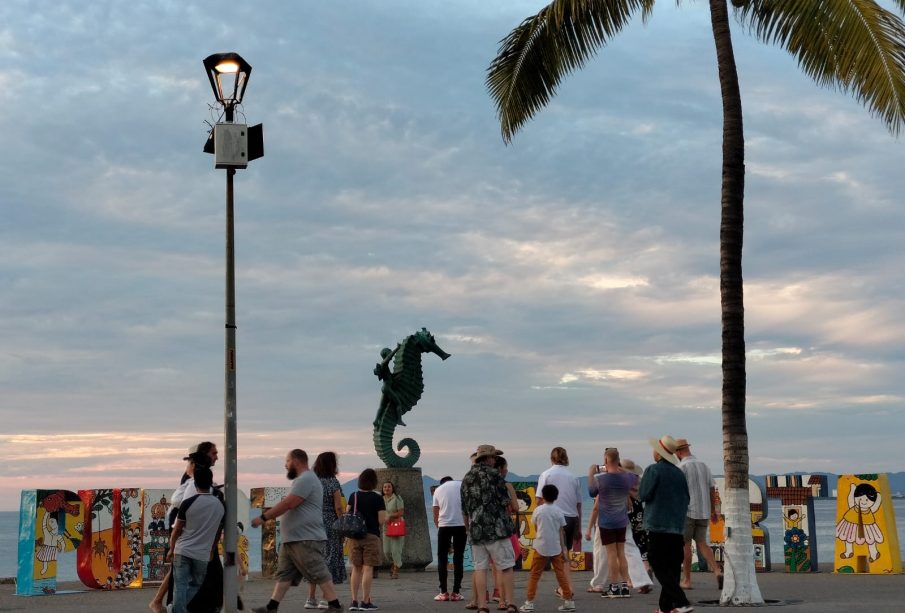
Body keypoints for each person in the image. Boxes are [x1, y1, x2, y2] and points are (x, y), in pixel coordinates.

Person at [249, 449, 343, 613]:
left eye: (287, 461)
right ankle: (272, 607)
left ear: (296, 461)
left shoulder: (306, 479)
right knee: (284, 574)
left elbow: (289, 504)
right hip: (293, 538)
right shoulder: (304, 479)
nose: (285, 465)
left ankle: (334, 605)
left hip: (306, 538)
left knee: (318, 571)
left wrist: (263, 518)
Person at [149, 442, 219, 613]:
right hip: (186, 525)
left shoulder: (198, 474)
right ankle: (166, 604)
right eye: (213, 453)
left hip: (190, 526)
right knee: (185, 566)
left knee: (182, 566)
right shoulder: (193, 476)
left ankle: (163, 603)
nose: (217, 456)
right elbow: (182, 502)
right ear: (204, 455)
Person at [460, 444, 517, 613]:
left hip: (476, 530)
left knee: (480, 568)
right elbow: (507, 503)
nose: (495, 460)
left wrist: (468, 528)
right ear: (488, 458)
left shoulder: (466, 477)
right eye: (494, 457)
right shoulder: (495, 475)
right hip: (497, 529)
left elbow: (464, 509)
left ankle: (483, 606)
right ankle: (510, 603)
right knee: (505, 566)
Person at [639, 435, 692, 613]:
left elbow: (644, 494)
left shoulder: (653, 470)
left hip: (658, 525)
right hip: (676, 527)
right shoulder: (679, 473)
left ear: (659, 453)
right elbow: (687, 498)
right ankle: (665, 607)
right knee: (672, 567)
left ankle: (681, 602)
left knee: (657, 562)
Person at [167, 466, 225, 613]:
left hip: (182, 550)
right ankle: (177, 609)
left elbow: (177, 530)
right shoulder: (220, 505)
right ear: (211, 481)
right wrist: (212, 549)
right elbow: (218, 531)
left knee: (179, 585)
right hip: (202, 554)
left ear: (195, 483)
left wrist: (171, 548)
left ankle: (176, 609)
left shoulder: (187, 503)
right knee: (195, 584)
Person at [587, 447, 637, 599]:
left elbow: (591, 492)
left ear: (605, 460)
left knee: (611, 554)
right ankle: (624, 586)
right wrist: (619, 468)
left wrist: (591, 473)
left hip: (607, 522)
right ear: (618, 460)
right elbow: (635, 478)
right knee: (621, 554)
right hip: (622, 520)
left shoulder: (600, 479)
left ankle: (614, 587)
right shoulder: (627, 478)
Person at [518, 484, 575, 612]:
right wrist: (564, 549)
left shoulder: (538, 510)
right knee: (560, 574)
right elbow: (561, 532)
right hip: (556, 547)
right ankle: (568, 601)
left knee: (534, 575)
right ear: (556, 497)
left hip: (540, 546)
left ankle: (529, 602)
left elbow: (535, 526)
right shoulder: (559, 511)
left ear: (542, 496)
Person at [675, 438, 723, 590]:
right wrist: (713, 510)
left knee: (686, 545)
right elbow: (711, 489)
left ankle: (687, 580)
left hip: (688, 511)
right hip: (703, 511)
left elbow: (678, 492)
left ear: (678, 452)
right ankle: (717, 570)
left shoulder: (681, 467)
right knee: (702, 542)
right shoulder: (703, 465)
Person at [536, 447, 581, 599]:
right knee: (565, 554)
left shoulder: (546, 475)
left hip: (552, 517)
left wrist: (537, 521)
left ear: (552, 458)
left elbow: (539, 499)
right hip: (571, 518)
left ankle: (566, 588)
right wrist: (579, 526)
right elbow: (578, 503)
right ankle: (567, 587)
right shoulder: (573, 477)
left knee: (556, 557)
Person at [305, 451, 347, 609]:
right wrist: (342, 524)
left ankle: (310, 598)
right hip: (330, 524)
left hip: (312, 523)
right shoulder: (332, 482)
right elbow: (338, 506)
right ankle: (325, 598)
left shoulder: (311, 482)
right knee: (330, 558)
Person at [347, 468, 387, 611]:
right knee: (368, 568)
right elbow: (381, 520)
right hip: (371, 536)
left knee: (356, 569)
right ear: (374, 482)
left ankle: (353, 601)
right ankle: (365, 601)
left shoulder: (354, 496)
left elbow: (348, 514)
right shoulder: (377, 498)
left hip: (355, 537)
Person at [432, 476, 466, 602]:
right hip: (461, 525)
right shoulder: (461, 485)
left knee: (442, 558)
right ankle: (456, 592)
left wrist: (438, 526)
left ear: (442, 483)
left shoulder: (438, 490)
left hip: (444, 526)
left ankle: (443, 592)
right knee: (458, 558)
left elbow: (435, 512)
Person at [381, 481, 405, 579]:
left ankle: (396, 569)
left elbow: (401, 512)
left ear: (392, 488)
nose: (386, 488)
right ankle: (394, 563)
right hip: (386, 527)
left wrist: (390, 515)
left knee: (396, 550)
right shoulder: (380, 499)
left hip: (396, 525)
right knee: (386, 551)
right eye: (385, 487)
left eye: (389, 487)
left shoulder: (397, 498)